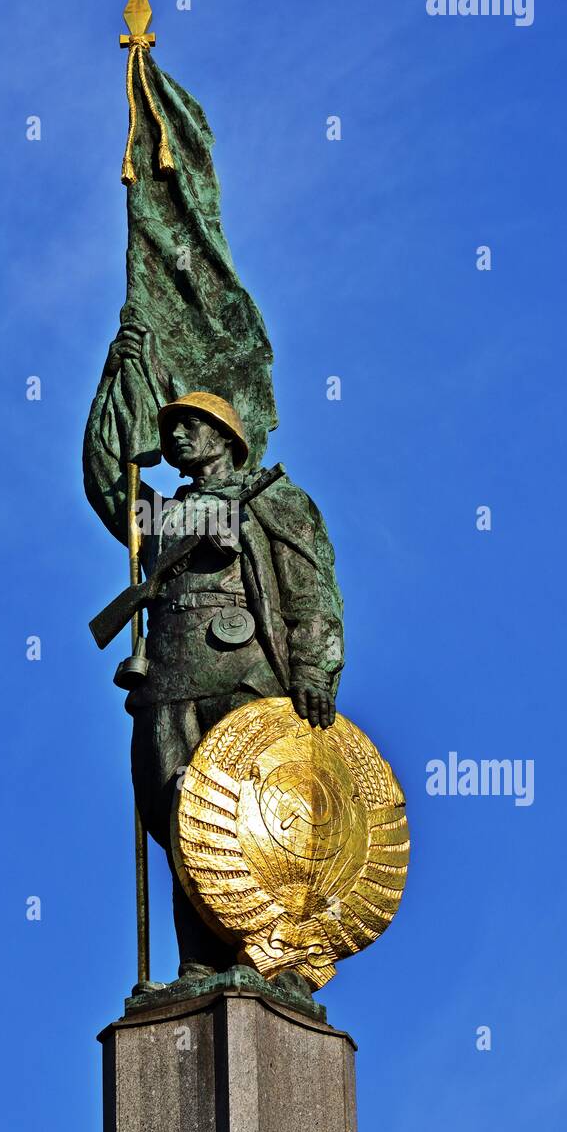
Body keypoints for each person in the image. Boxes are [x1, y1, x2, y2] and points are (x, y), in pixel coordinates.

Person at [83, 320, 344, 988]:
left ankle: (275, 957)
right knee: (183, 817)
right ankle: (199, 961)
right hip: (170, 677)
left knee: (258, 814)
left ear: (227, 438)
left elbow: (311, 587)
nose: (176, 435)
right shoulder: (164, 518)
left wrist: (315, 667)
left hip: (247, 670)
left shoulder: (274, 500)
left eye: (192, 425)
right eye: (170, 427)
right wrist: (117, 378)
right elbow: (111, 479)